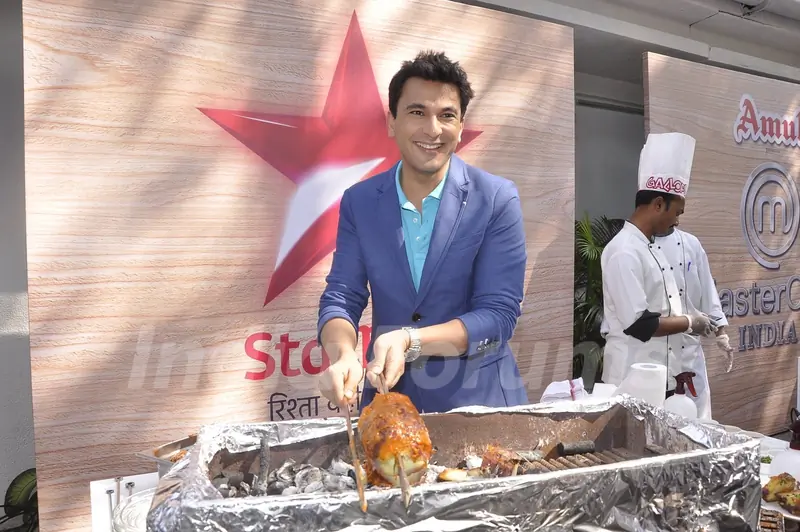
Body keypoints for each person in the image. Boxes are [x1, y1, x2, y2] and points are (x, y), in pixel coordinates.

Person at [315, 50, 529, 413]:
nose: (433, 130)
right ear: (392, 121)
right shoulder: (360, 201)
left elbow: (498, 314)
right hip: (388, 403)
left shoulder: (495, 198)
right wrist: (343, 354)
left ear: (461, 128)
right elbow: (342, 296)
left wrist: (410, 340)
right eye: (417, 112)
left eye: (447, 115)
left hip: (480, 406)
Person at [600, 132, 718, 396]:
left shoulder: (649, 247)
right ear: (658, 204)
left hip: (657, 380)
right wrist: (690, 321)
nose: (677, 221)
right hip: (630, 380)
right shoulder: (623, 251)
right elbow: (640, 324)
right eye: (676, 213)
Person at [652, 221, 734, 419]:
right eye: (676, 211)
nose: (677, 219)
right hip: (654, 346)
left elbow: (707, 287)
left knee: (697, 417)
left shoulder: (691, 244)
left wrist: (721, 332)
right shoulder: (640, 246)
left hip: (689, 347)